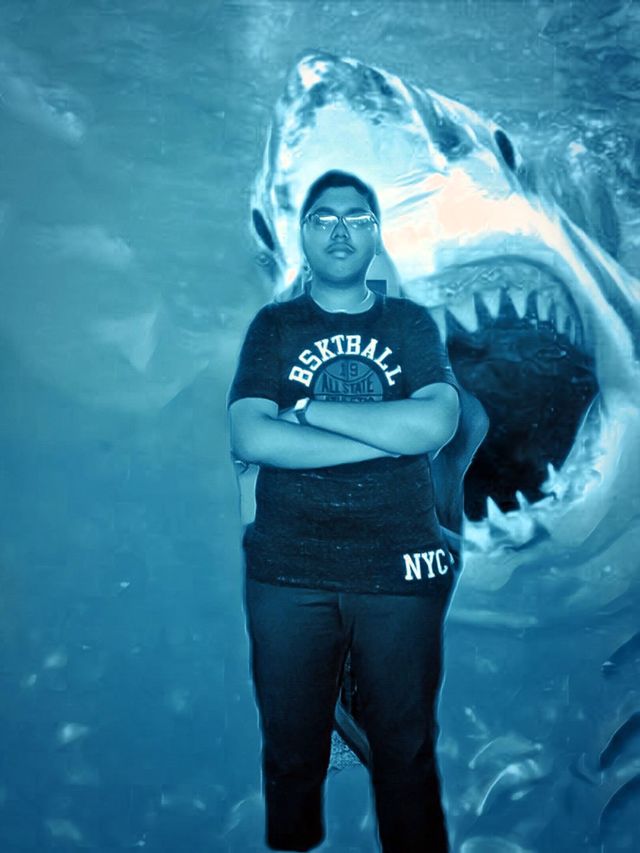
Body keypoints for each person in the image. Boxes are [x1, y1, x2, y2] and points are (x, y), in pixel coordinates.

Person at [227, 170, 469, 853]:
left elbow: (439, 424)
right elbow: (250, 437)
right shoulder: (274, 326)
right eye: (324, 217)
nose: (340, 230)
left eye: (357, 217)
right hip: (287, 571)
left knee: (407, 753)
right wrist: (384, 437)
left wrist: (309, 412)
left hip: (400, 570)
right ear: (302, 234)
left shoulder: (410, 323)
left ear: (376, 234)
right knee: (289, 753)